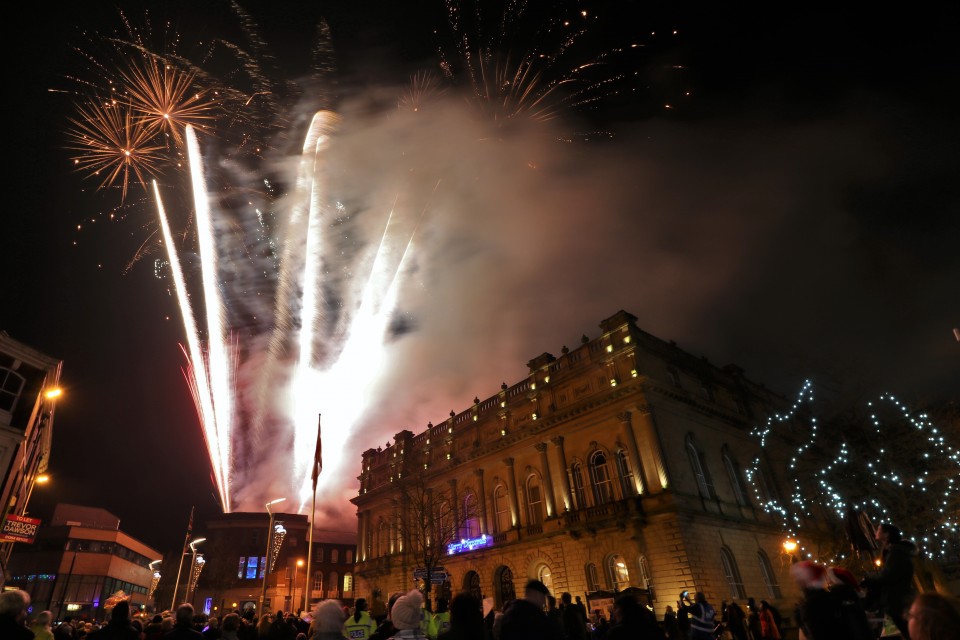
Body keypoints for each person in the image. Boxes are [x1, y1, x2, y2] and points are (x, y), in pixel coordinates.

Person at [864, 523, 917, 639]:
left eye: (879, 529)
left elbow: (889, 575)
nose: (876, 531)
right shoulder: (893, 551)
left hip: (898, 598)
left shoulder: (896, 552)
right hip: (897, 597)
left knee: (909, 631)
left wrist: (870, 578)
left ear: (887, 534)